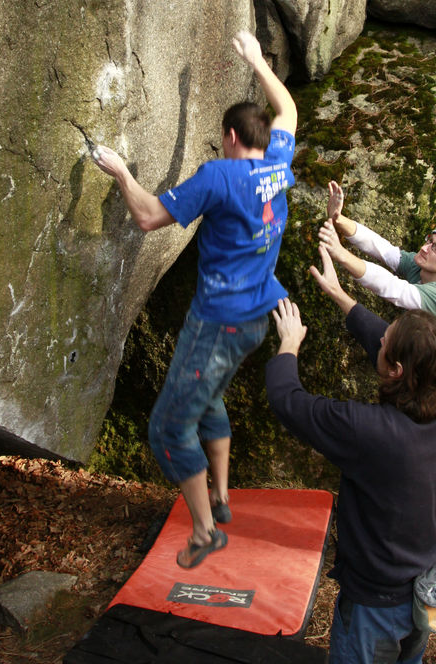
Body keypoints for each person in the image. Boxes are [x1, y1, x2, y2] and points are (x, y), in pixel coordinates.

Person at [92, 30, 297, 569]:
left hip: (219, 323)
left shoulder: (221, 176)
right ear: (261, 135)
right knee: (207, 400)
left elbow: (148, 216)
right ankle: (223, 495)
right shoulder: (279, 162)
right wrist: (256, 63)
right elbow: (290, 108)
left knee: (166, 429)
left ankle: (205, 531)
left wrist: (120, 171)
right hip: (258, 319)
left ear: (230, 136)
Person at [266, 245, 436, 664]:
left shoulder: (373, 433)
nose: (381, 336)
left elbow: (288, 401)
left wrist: (288, 343)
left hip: (377, 604)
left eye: (386, 344)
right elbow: (391, 341)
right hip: (425, 587)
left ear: (395, 371)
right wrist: (339, 294)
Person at [318, 180, 436, 626]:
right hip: (425, 397)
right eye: (429, 239)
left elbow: (393, 291)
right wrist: (342, 222)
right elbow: (384, 251)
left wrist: (341, 258)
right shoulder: (425, 270)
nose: (426, 246)